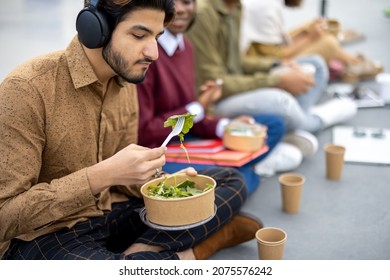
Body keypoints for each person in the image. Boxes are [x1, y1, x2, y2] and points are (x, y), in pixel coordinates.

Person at [0, 0, 263, 260]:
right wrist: (100, 176)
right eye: (139, 35)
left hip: (112, 210)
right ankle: (189, 253)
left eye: (158, 37)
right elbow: (5, 215)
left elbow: (127, 178)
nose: (154, 53)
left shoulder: (127, 81)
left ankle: (143, 252)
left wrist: (160, 185)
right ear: (95, 27)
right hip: (49, 233)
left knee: (229, 180)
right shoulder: (27, 89)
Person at [136, 0, 305, 193]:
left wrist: (224, 126)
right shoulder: (147, 56)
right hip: (161, 150)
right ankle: (246, 170)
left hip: (188, 135)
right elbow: (146, 133)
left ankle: (241, 169)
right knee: (234, 178)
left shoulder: (186, 47)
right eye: (172, 2)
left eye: (187, 2)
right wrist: (199, 107)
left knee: (273, 124)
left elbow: (194, 116)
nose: (181, 9)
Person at [186, 0, 357, 155]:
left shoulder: (236, 6)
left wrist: (276, 65)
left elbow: (238, 61)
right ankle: (317, 121)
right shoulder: (203, 13)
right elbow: (214, 83)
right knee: (280, 100)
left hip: (238, 83)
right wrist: (277, 81)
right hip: (215, 101)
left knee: (315, 64)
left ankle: (296, 126)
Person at [240, 0, 384, 83]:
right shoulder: (268, 7)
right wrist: (309, 37)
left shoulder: (269, 4)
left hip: (257, 55)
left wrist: (305, 29)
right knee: (328, 43)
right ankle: (351, 64)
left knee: (321, 34)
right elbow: (275, 57)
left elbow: (274, 42)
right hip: (254, 68)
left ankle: (350, 62)